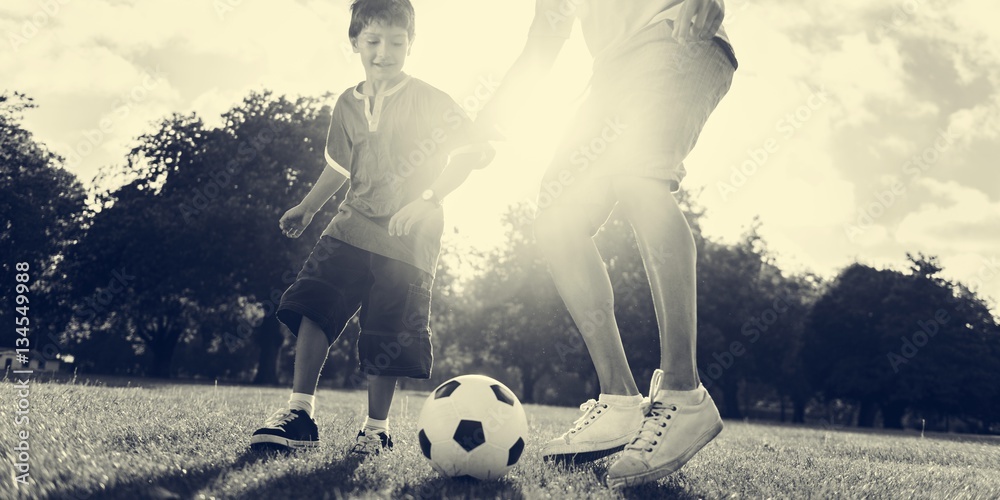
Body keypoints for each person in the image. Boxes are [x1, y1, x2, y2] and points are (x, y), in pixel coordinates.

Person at [475, 0, 738, 488]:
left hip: (674, 34)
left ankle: (684, 392)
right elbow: (543, 44)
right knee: (556, 220)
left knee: (639, 176)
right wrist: (487, 118)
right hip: (609, 73)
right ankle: (618, 399)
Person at [250, 0, 493, 456]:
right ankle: (300, 414)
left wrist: (428, 199)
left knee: (388, 330)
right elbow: (338, 168)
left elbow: (476, 151)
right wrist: (306, 208)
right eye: (374, 41)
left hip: (409, 238)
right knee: (313, 302)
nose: (386, 51)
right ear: (355, 42)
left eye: (397, 42)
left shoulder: (429, 99)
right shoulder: (347, 103)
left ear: (411, 43)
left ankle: (375, 430)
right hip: (351, 225)